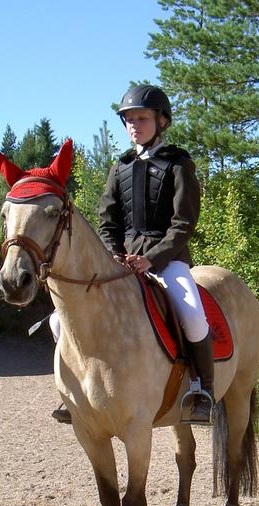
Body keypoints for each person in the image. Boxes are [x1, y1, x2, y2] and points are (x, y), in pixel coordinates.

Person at [51, 83, 214, 425]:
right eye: (128, 120)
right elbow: (107, 220)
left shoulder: (179, 164)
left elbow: (184, 223)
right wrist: (113, 254)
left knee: (193, 315)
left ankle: (202, 389)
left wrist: (151, 258)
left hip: (166, 261)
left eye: (141, 118)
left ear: (161, 121)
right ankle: (74, 391)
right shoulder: (120, 167)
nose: (134, 125)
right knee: (57, 319)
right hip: (121, 264)